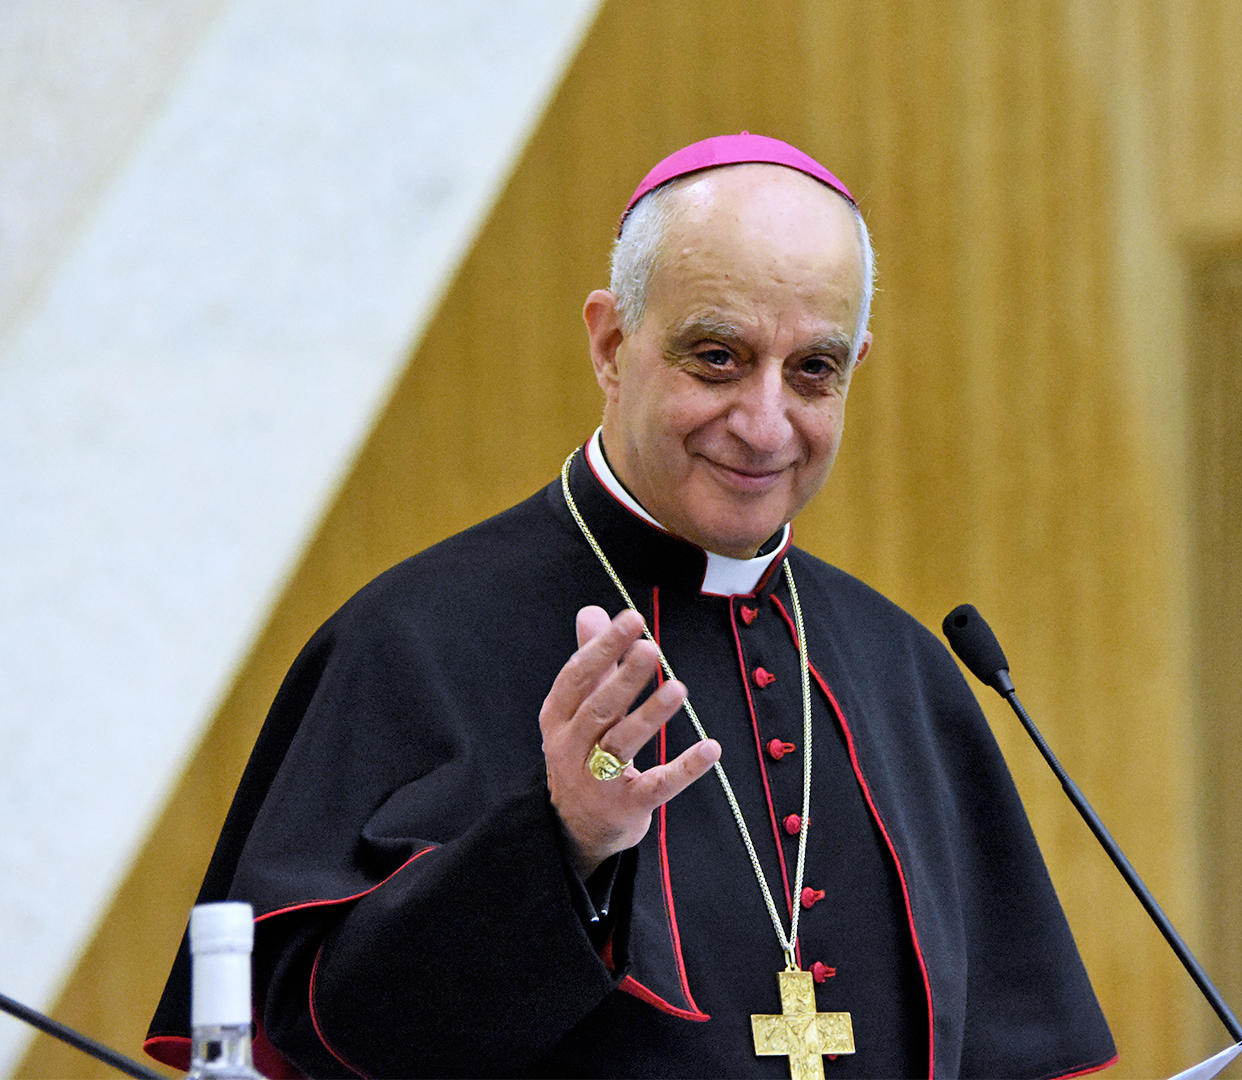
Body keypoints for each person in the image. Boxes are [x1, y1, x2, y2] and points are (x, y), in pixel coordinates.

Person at [144, 133, 1116, 1079]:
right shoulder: (412, 642)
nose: (766, 423)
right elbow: (316, 1037)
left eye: (813, 369)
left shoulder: (907, 672)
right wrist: (560, 843)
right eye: (718, 358)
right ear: (612, 344)